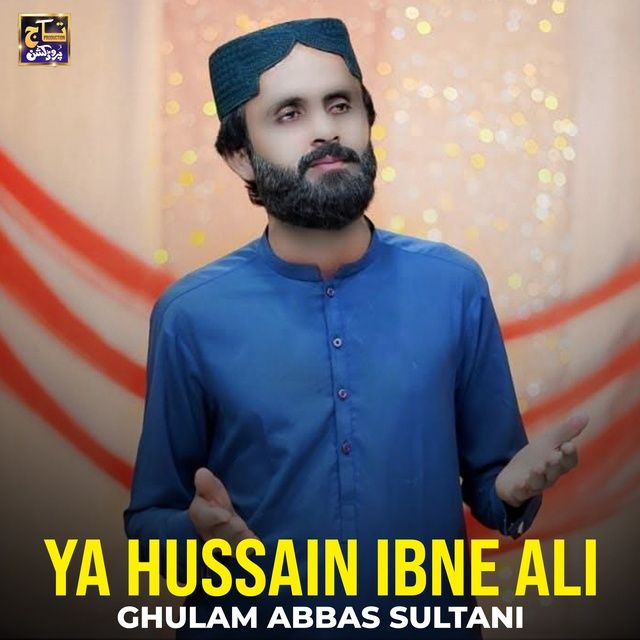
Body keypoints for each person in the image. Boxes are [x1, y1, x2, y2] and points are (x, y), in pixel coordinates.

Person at [124, 17, 587, 638]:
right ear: (239, 156)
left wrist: (508, 488)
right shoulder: (192, 314)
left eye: (340, 104)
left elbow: (492, 480)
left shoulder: (452, 285)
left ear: (367, 120)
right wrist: (193, 536)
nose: (325, 130)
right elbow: (151, 516)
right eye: (289, 113)